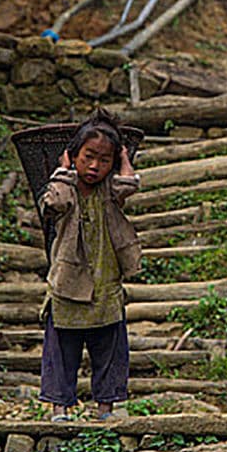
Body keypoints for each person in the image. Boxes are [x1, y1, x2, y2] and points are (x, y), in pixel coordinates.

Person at [38, 109, 142, 421]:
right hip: (68, 281)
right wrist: (65, 170)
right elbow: (53, 202)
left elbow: (128, 185)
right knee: (62, 349)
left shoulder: (110, 190)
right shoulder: (66, 189)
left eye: (104, 159)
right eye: (88, 157)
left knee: (109, 346)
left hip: (105, 280)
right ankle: (60, 408)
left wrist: (124, 157)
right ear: (74, 156)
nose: (95, 166)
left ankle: (106, 407)